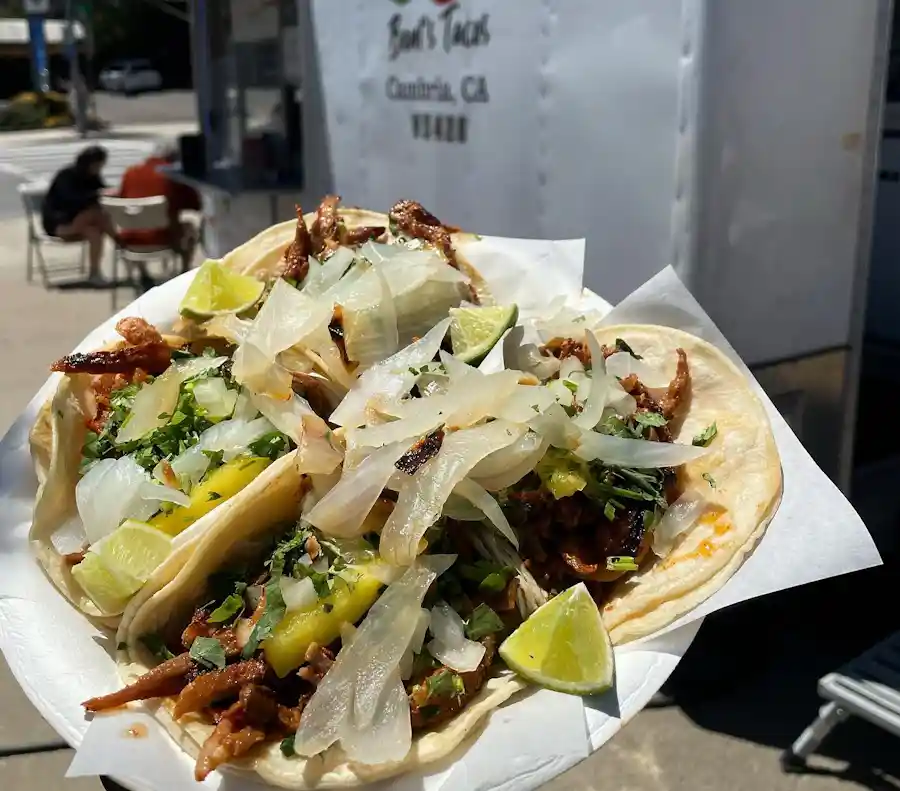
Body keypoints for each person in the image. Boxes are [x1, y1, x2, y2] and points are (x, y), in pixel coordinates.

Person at [117, 139, 201, 272]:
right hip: (165, 237)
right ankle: (184, 271)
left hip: (130, 238)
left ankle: (143, 273)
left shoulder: (130, 172)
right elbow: (195, 204)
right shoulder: (172, 175)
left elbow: (122, 199)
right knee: (191, 228)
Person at [42, 145, 117, 284]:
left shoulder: (92, 176)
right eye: (97, 165)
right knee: (97, 213)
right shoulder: (66, 176)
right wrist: (97, 194)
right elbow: (71, 200)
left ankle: (94, 274)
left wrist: (110, 192)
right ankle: (121, 242)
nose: (98, 169)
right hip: (60, 223)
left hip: (81, 223)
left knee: (94, 232)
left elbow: (101, 190)